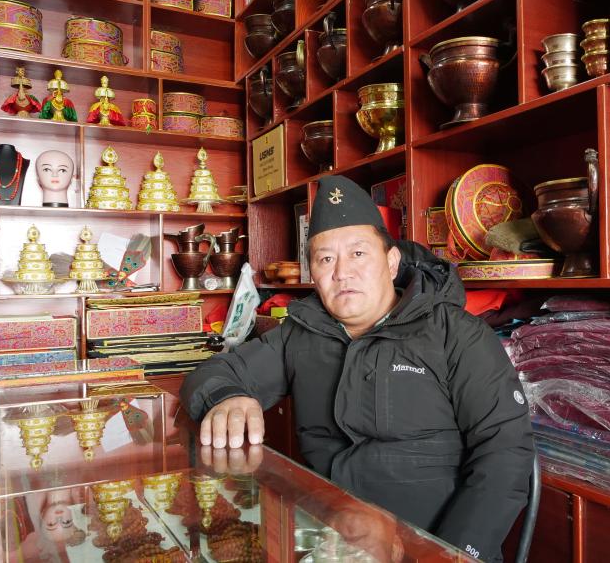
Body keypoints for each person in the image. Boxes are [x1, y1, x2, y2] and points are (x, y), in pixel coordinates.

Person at [181, 175, 535, 562]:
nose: (342, 272)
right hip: (327, 542)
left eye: (358, 254)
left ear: (391, 262)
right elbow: (214, 373)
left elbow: (505, 453)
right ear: (312, 272)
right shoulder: (301, 334)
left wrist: (453, 553)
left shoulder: (455, 333)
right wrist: (227, 397)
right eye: (325, 259)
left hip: (431, 545)